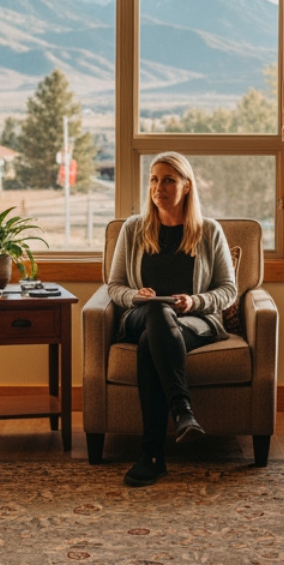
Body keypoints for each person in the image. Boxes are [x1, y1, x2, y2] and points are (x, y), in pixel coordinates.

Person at [105, 152, 237, 487]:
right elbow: (114, 286)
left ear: (187, 186)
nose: (158, 187)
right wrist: (136, 296)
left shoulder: (209, 231)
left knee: (154, 338)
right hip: (139, 314)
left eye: (168, 180)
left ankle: (152, 455)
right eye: (153, 179)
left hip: (192, 322)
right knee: (155, 311)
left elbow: (228, 290)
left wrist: (195, 301)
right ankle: (182, 411)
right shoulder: (133, 229)